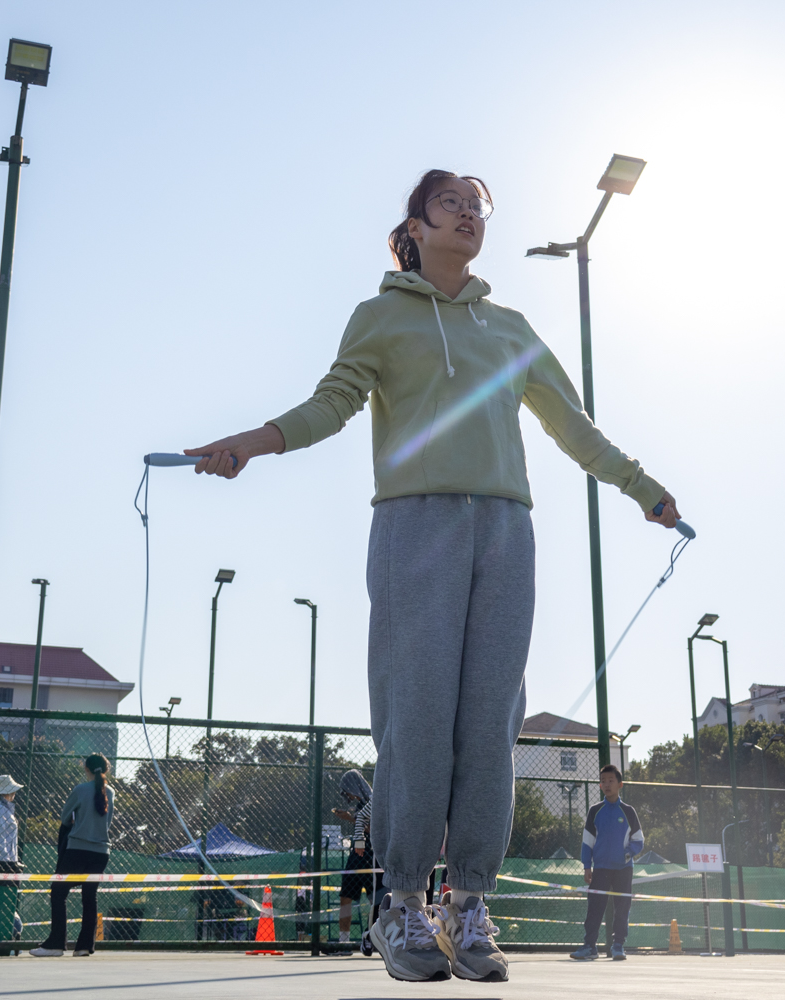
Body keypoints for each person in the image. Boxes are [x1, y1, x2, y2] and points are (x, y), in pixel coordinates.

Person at [184, 170, 681, 985]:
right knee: (416, 718)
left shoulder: (511, 328)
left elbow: (572, 426)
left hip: (505, 530)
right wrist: (255, 440)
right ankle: (403, 904)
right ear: (414, 225)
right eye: (450, 202)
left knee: (490, 726)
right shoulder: (379, 317)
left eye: (477, 206)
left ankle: (468, 905)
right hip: (415, 526)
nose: (469, 214)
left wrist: (643, 488)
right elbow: (332, 403)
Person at [30, 754, 114, 958]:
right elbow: (107, 821)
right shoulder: (110, 792)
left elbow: (65, 817)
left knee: (58, 892)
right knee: (89, 896)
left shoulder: (79, 790)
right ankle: (85, 946)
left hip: (77, 849)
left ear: (85, 768)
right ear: (106, 769)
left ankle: (56, 944)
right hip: (101, 852)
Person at [570, 764, 644, 961]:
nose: (607, 784)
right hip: (600, 869)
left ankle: (618, 946)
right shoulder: (595, 811)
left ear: (620, 784)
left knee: (622, 908)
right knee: (595, 908)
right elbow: (587, 841)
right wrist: (587, 866)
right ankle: (589, 947)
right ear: (600, 786)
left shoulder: (628, 811)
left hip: (624, 870)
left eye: (611, 781)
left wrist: (626, 855)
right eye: (603, 781)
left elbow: (638, 840)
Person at [332, 769, 374, 946]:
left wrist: (351, 819)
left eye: (346, 791)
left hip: (372, 856)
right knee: (346, 897)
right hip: (356, 856)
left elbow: (376, 830)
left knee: (376, 899)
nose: (346, 796)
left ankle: (374, 938)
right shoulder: (357, 805)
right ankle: (344, 941)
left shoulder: (373, 801)